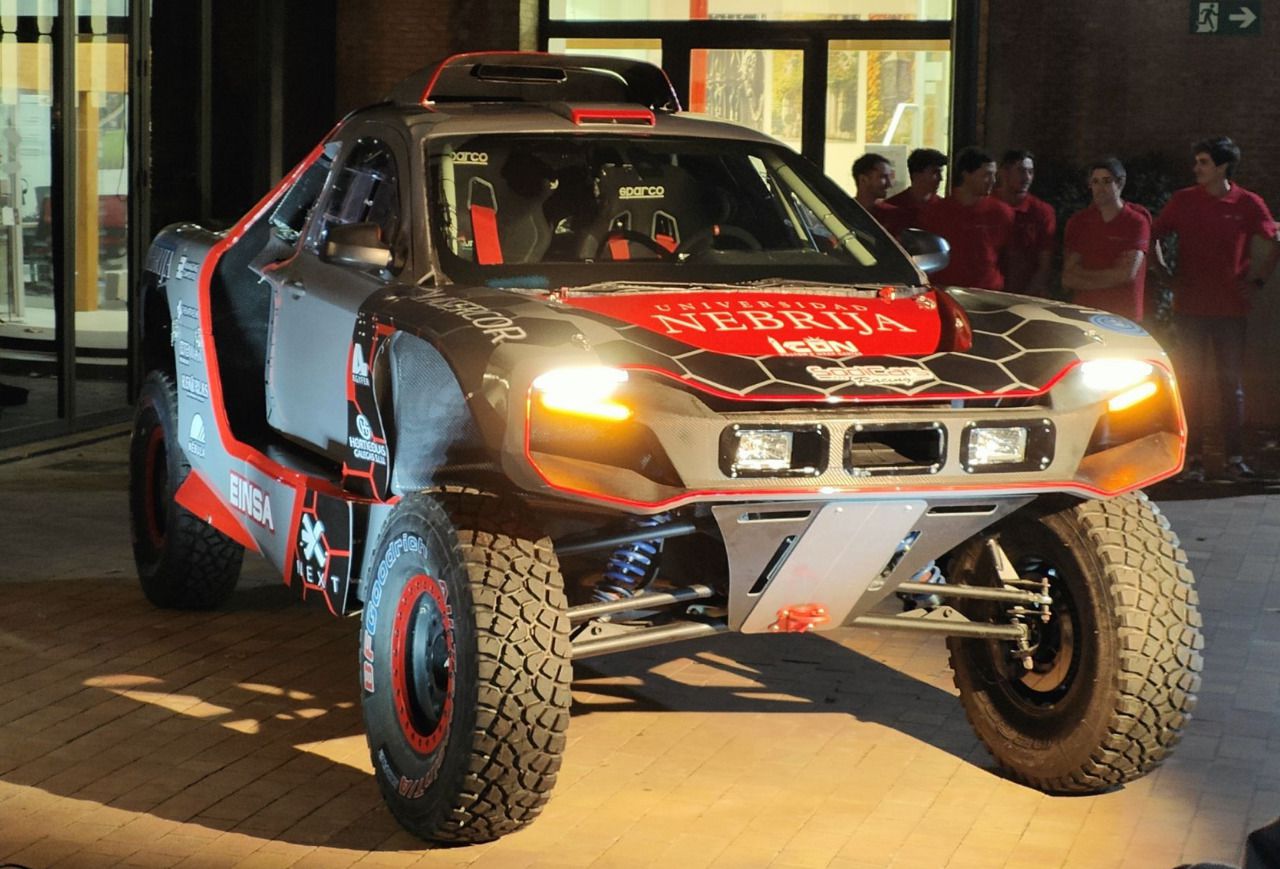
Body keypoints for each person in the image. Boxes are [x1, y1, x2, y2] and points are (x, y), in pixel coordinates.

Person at [1151, 136, 1280, 481]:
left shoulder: (1248, 203)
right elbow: (1154, 234)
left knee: (1230, 385)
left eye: (1203, 162)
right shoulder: (1184, 201)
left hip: (1230, 309)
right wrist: (1164, 273)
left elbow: (1274, 239)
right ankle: (1189, 459)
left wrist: (1257, 282)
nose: (1196, 168)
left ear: (1222, 167)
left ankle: (1233, 458)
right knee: (1189, 383)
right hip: (1190, 306)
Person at [1061, 157, 1151, 320]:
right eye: (1095, 182)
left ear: (1120, 183)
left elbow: (1126, 274)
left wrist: (1085, 275)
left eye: (1106, 181)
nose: (1100, 188)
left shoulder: (1136, 222)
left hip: (1123, 315)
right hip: (1086, 312)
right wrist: (1111, 274)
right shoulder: (1079, 222)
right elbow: (1068, 277)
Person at [918, 146, 1014, 291]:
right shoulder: (936, 213)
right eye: (986, 175)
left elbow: (1010, 256)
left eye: (994, 175)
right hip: (945, 291)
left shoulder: (1001, 212)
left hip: (988, 292)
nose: (992, 181)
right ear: (966, 174)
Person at [995, 149, 1056, 296]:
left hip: (1027, 294)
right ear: (1004, 173)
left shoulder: (1041, 211)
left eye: (1030, 172)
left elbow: (1045, 262)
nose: (1027, 177)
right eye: (1021, 171)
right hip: (988, 291)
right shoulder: (988, 205)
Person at [886, 147, 947, 229]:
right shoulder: (891, 208)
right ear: (917, 175)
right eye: (935, 172)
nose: (941, 178)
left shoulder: (944, 210)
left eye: (940, 172)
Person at [851, 152, 908, 237]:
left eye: (890, 177)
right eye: (883, 177)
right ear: (863, 179)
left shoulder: (894, 216)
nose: (889, 184)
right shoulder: (844, 212)